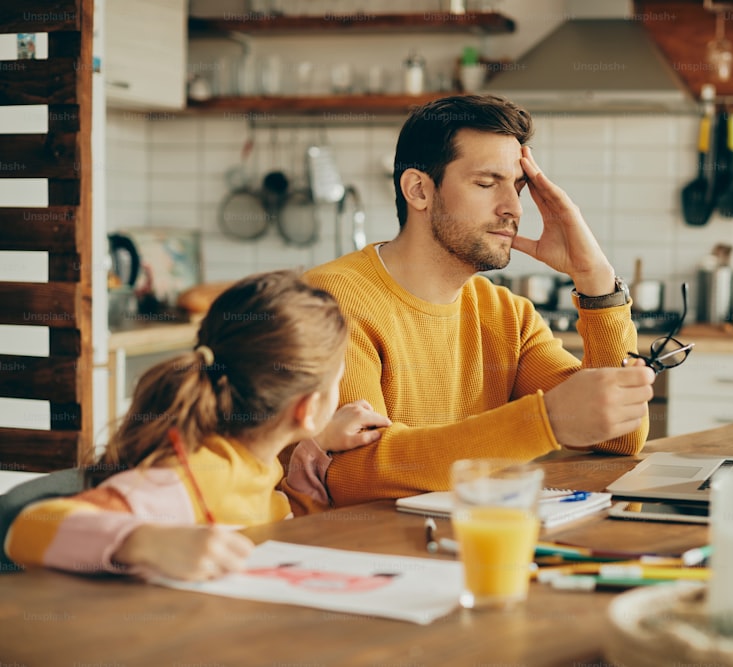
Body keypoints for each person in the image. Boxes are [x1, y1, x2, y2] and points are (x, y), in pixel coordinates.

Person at [282, 94, 656, 513]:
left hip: (465, 547)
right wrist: (542, 421)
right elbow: (354, 476)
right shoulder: (333, 301)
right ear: (419, 190)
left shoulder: (508, 315)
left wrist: (596, 281)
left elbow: (617, 436)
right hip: (345, 557)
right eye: (485, 183)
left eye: (517, 187)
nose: (513, 209)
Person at [4, 270, 388, 580]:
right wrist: (143, 540)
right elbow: (29, 528)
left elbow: (278, 519)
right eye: (338, 379)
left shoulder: (255, 460)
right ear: (306, 408)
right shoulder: (191, 476)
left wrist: (317, 444)